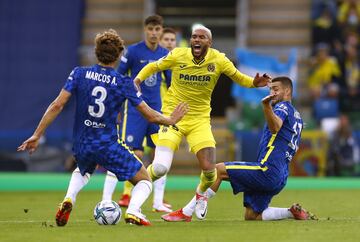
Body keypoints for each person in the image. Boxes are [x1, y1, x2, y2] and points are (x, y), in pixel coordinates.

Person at [17, 29, 188, 226]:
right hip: (107, 143)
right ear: (119, 55)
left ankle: (69, 199)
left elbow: (57, 105)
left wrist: (37, 135)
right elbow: (149, 114)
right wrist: (170, 119)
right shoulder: (124, 82)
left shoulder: (79, 73)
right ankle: (133, 211)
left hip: (82, 142)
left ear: (96, 52)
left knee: (83, 169)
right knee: (144, 179)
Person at [133, 24, 271, 215]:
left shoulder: (219, 59)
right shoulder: (178, 54)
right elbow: (153, 66)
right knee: (160, 167)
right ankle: (135, 200)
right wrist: (137, 80)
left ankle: (200, 197)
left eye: (201, 37)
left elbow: (239, 78)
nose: (196, 40)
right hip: (172, 117)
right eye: (194, 37)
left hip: (199, 120)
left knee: (209, 172)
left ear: (210, 42)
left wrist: (255, 83)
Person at [162, 76, 318, 222]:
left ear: (288, 91)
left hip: (268, 170)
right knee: (252, 215)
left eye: (276, 89)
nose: (272, 93)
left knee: (216, 170)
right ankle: (290, 212)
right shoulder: (297, 116)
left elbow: (275, 126)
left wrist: (265, 107)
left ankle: (186, 212)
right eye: (271, 89)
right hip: (281, 176)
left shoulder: (282, 107)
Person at [101, 15, 173, 213]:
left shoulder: (165, 54)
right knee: (130, 153)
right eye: (150, 29)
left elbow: (171, 83)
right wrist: (114, 107)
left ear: (161, 30)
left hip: (156, 111)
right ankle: (108, 199)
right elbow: (118, 77)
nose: (154, 33)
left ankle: (157, 202)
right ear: (145, 30)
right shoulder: (132, 52)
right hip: (134, 111)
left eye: (157, 29)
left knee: (161, 155)